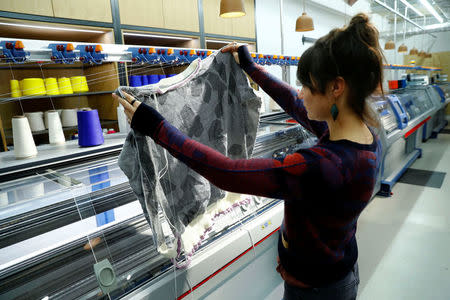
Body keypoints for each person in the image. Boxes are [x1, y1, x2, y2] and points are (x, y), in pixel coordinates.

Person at [112, 12, 384, 300]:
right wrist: (251, 68)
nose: (301, 93)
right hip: (340, 269)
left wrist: (156, 127)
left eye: (307, 85)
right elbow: (295, 104)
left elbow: (228, 173)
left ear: (336, 88)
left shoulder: (321, 166)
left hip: (316, 291)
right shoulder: (364, 137)